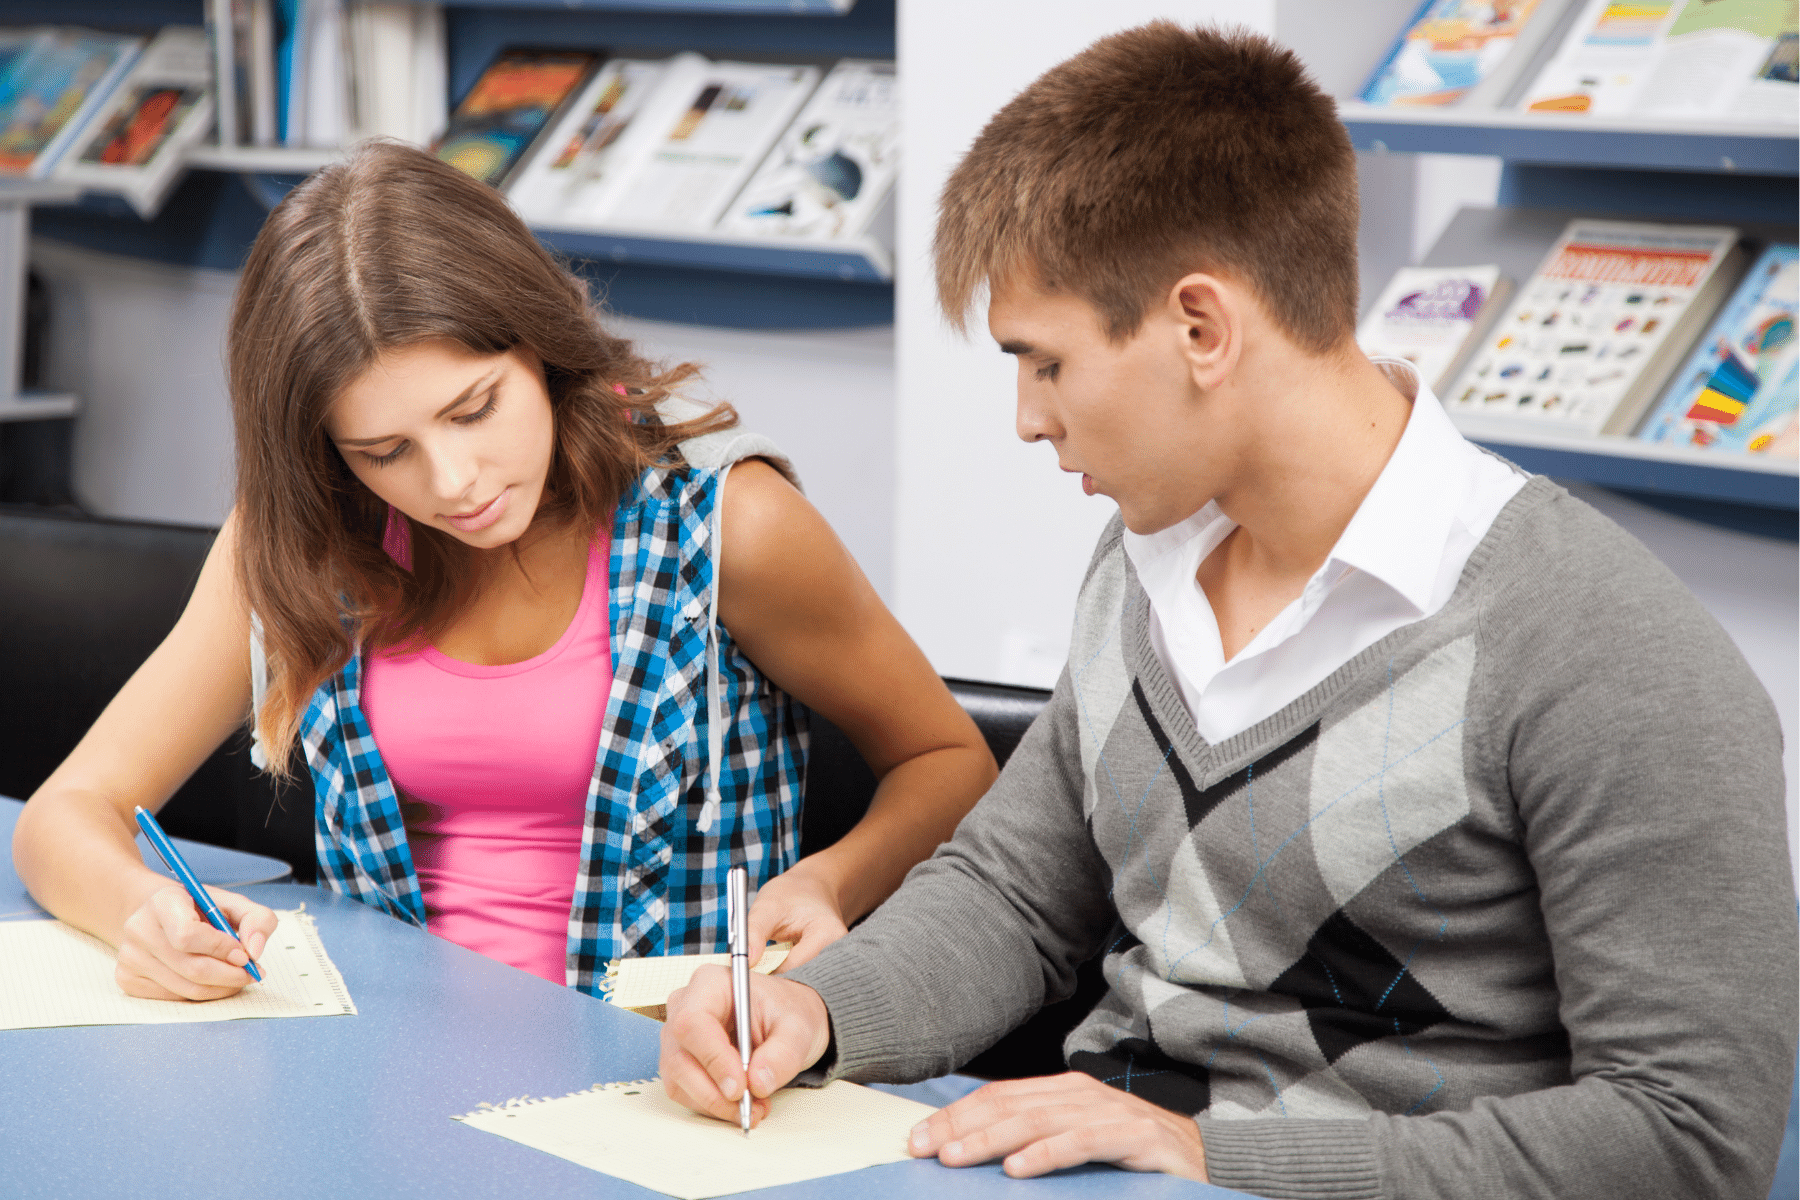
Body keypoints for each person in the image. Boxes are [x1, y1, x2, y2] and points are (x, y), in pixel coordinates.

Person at [658, 23, 1797, 1199]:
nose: (1026, 419)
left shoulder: (1609, 651)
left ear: (1201, 328)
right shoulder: (1139, 562)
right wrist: (811, 1011)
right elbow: (1016, 898)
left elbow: (1687, 1139)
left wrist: (1211, 1156)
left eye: (1044, 363)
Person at [12, 142, 997, 1002]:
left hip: (655, 1076)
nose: (452, 482)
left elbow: (950, 765)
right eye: (381, 449)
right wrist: (142, 909)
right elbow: (66, 817)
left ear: (541, 346)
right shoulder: (306, 541)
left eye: (474, 408)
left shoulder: (726, 525)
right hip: (372, 1060)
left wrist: (833, 881)